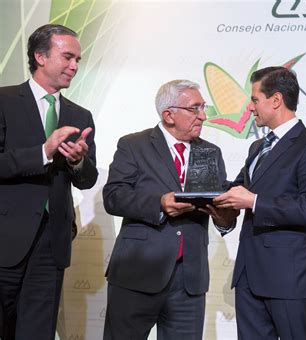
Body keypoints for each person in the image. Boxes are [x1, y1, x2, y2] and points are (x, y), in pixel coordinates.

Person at [102, 79, 235, 340]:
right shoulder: (133, 145)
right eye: (194, 108)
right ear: (168, 114)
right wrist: (159, 204)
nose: (203, 116)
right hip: (137, 273)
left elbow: (219, 203)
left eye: (203, 107)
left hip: (189, 281)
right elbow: (114, 197)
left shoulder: (211, 152)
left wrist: (225, 218)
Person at [212, 67, 306, 339]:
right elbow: (236, 191)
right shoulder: (257, 147)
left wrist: (255, 201)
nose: (250, 107)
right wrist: (205, 198)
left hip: (291, 279)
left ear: (276, 100)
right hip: (248, 277)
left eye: (255, 99)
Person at [0, 24, 98, 340]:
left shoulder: (80, 116)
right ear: (40, 56)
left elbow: (88, 179)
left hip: (50, 243)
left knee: (37, 332)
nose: (74, 66)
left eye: (78, 60)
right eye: (67, 57)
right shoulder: (4, 101)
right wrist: (43, 151)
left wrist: (77, 161)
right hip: (4, 236)